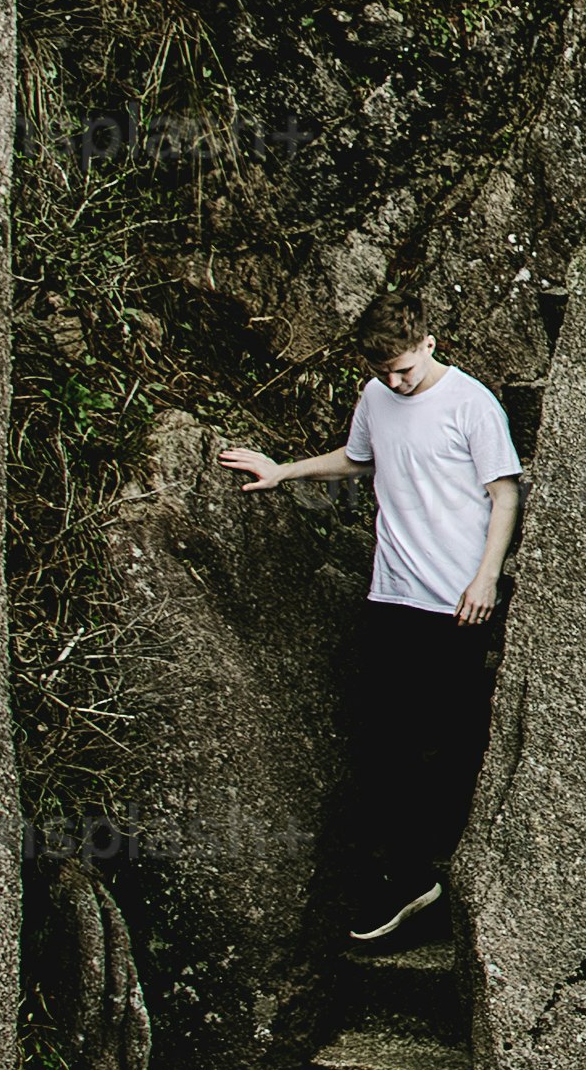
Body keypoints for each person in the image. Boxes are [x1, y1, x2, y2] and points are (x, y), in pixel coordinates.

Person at [218, 322, 524, 946]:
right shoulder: (377, 395)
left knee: (446, 742)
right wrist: (284, 471)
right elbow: (358, 460)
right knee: (383, 740)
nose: (395, 382)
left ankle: (441, 884)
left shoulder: (472, 403)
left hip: (455, 603)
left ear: (431, 343)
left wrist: (486, 578)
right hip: (391, 594)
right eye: (384, 371)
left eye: (404, 369)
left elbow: (506, 494)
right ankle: (407, 881)